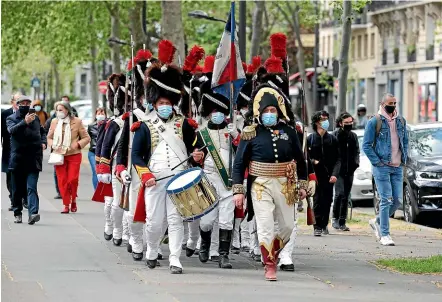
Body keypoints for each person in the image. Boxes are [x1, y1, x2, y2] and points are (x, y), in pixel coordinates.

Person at [131, 40, 205, 274]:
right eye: (161, 103)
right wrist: (146, 175)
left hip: (179, 180)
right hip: (155, 179)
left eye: (168, 103)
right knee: (154, 222)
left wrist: (197, 156)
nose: (165, 106)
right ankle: (152, 249)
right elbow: (136, 155)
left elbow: (197, 148)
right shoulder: (144, 125)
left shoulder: (185, 124)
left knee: (176, 220)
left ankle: (175, 258)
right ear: (155, 103)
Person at [232, 85, 308, 281]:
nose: (269, 114)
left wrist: (303, 184)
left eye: (272, 110)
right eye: (266, 111)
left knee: (288, 227)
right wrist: (238, 190)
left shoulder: (289, 132)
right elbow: (239, 163)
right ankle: (269, 264)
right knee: (265, 225)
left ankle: (272, 252)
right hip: (260, 185)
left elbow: (300, 160)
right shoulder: (250, 132)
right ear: (259, 112)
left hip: (285, 184)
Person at [190, 79, 240, 268]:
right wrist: (195, 156)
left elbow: (243, 152)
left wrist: (236, 136)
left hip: (228, 180)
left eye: (220, 111)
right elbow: (193, 156)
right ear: (209, 113)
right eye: (214, 111)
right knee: (207, 220)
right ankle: (204, 243)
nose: (217, 114)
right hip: (209, 179)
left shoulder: (233, 130)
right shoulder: (201, 133)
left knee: (227, 219)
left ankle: (223, 255)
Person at [363, 93, 408, 246]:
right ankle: (385, 234)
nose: (393, 105)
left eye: (395, 103)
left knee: (397, 201)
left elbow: (405, 142)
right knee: (386, 200)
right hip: (382, 167)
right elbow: (366, 146)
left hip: (397, 167)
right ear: (382, 104)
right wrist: (378, 162)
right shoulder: (374, 121)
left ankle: (376, 221)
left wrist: (404, 160)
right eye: (390, 103)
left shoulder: (401, 120)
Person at [6, 95, 47, 224]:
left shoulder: (35, 119)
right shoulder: (11, 118)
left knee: (32, 187)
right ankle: (17, 212)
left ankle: (33, 213)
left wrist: (43, 142)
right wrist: (25, 122)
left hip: (33, 157)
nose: (25, 105)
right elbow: (11, 131)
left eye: (27, 103)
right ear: (17, 105)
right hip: (18, 158)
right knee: (17, 189)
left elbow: (42, 131)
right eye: (22, 103)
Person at [47, 101, 90, 213]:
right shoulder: (54, 121)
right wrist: (53, 145)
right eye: (57, 110)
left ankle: (74, 200)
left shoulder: (77, 121)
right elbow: (49, 137)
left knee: (72, 180)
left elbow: (86, 138)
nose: (59, 112)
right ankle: (66, 204)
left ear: (67, 110)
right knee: (62, 181)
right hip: (58, 155)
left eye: (61, 110)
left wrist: (78, 144)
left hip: (74, 154)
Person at [308, 110, 341, 236]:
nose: (325, 121)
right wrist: (313, 162)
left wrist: (335, 174)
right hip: (315, 176)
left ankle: (324, 224)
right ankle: (316, 226)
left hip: (329, 176)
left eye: (327, 118)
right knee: (317, 200)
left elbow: (338, 159)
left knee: (327, 201)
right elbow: (304, 158)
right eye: (322, 119)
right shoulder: (311, 139)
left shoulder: (332, 139)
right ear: (316, 122)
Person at [332, 112, 360, 231]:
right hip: (338, 171)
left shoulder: (353, 136)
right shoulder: (335, 136)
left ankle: (342, 221)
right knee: (339, 194)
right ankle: (335, 218)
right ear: (340, 123)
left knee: (346, 196)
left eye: (350, 122)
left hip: (350, 170)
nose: (349, 124)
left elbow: (357, 151)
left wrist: (356, 163)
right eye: (346, 123)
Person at [2, 92, 21, 211]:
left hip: (24, 150)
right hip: (9, 149)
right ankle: (13, 200)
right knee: (10, 175)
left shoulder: (28, 114)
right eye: (17, 101)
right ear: (12, 102)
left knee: (22, 175)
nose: (20, 104)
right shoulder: (4, 114)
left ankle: (22, 198)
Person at [45, 102, 62, 199]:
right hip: (56, 150)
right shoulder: (52, 121)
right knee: (57, 171)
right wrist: (51, 143)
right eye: (58, 109)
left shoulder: (72, 120)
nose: (59, 112)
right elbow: (46, 134)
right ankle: (59, 191)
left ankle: (68, 190)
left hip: (69, 150)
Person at [87, 107, 106, 190]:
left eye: (102, 113)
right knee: (96, 171)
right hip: (93, 152)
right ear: (95, 115)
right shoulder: (91, 126)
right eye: (99, 114)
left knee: (104, 172)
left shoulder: (110, 124)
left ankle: (104, 190)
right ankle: (97, 190)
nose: (101, 115)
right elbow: (88, 138)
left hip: (105, 153)